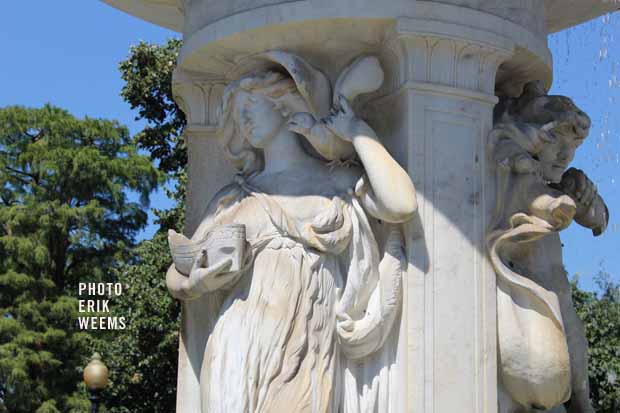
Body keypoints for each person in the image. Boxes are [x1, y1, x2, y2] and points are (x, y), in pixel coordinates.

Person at [166, 53, 416, 413]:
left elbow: (401, 205)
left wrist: (358, 132)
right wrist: (195, 284)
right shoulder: (236, 197)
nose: (244, 120)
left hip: (309, 341)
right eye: (238, 114)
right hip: (239, 341)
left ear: (283, 105)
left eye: (251, 106)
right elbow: (180, 270)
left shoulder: (335, 182)